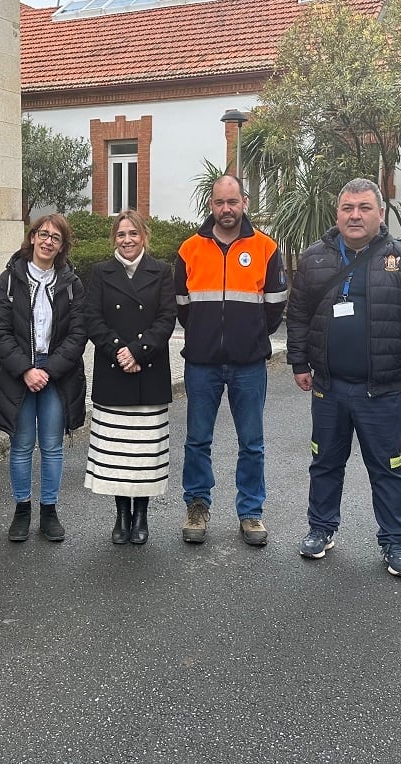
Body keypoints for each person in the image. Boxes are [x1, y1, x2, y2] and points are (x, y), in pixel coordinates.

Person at [287, 178, 401, 576]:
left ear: (380, 214)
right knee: (324, 463)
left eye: (364, 208)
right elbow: (299, 316)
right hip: (329, 388)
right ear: (337, 214)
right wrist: (299, 363)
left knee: (388, 468)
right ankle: (320, 529)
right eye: (347, 208)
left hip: (382, 390)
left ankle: (394, 542)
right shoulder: (314, 259)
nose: (355, 215)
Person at [174, 175, 286, 547]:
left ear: (245, 203)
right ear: (211, 205)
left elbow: (274, 307)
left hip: (248, 364)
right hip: (202, 363)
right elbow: (182, 307)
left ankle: (251, 512)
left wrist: (249, 337)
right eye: (220, 202)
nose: (227, 209)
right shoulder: (189, 249)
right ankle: (197, 506)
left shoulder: (266, 248)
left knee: (251, 442)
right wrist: (206, 336)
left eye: (233, 202)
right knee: (196, 441)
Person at [0, 214, 87, 542]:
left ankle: (49, 511)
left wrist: (47, 370)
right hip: (18, 372)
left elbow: (78, 333)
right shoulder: (9, 280)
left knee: (53, 445)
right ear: (32, 237)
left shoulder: (72, 283)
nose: (48, 241)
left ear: (62, 246)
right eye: (43, 234)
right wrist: (25, 369)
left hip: (56, 374)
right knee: (21, 444)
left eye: (55, 238)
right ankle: (21, 510)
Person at [83, 210, 178, 545]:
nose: (127, 240)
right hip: (113, 372)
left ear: (144, 237)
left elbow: (168, 318)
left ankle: (142, 515)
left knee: (144, 454)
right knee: (117, 455)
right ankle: (121, 515)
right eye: (121, 234)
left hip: (149, 372)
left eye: (133, 234)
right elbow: (92, 317)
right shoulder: (101, 272)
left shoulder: (162, 271)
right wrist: (118, 351)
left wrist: (139, 351)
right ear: (114, 238)